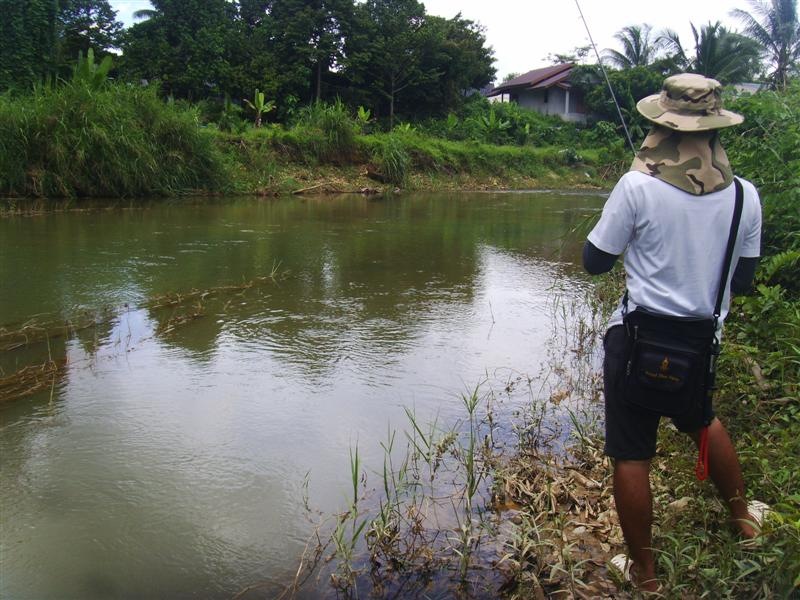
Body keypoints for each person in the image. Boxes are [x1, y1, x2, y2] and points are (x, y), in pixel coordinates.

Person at [583, 73, 768, 592]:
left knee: (631, 452)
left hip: (636, 338)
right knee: (702, 420)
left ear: (662, 126)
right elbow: (745, 280)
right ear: (714, 131)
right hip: (700, 343)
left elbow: (594, 262)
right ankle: (744, 522)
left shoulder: (635, 186)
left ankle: (645, 575)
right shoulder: (745, 198)